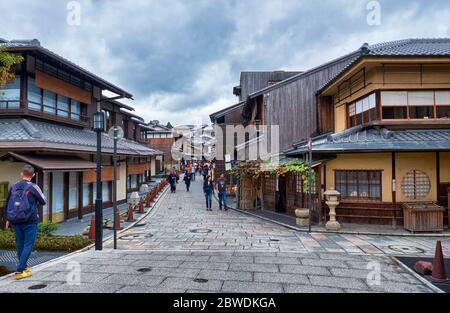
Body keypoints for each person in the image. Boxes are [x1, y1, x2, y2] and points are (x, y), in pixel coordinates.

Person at [5, 164, 46, 280]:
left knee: (20, 244)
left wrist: (7, 219)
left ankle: (24, 267)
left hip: (15, 220)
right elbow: (43, 201)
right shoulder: (33, 187)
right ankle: (19, 270)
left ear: (21, 174)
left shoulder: (13, 186)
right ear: (33, 175)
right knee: (28, 244)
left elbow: (7, 204)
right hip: (30, 220)